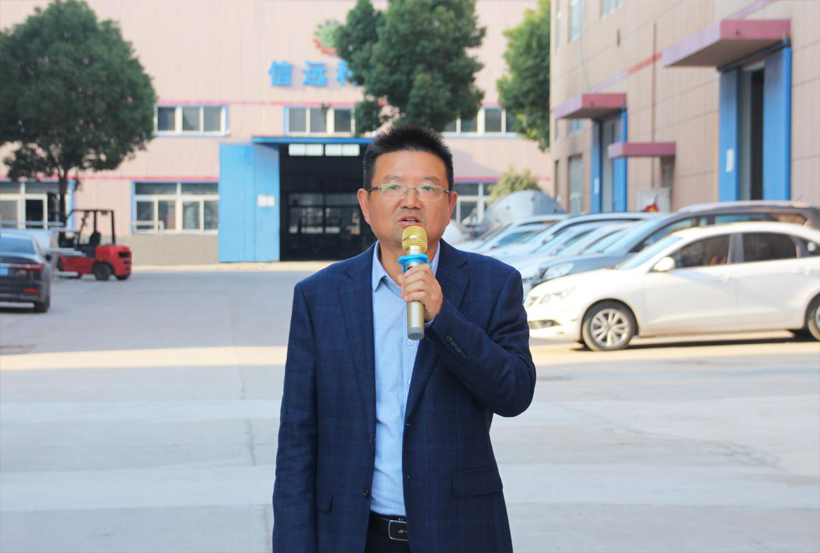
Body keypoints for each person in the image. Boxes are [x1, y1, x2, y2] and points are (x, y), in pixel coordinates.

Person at [272, 125, 536, 553]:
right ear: (366, 203)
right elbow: (297, 440)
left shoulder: (493, 284)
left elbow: (515, 394)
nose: (410, 200)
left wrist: (444, 318)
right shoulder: (320, 296)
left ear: (450, 205)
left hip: (461, 534)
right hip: (353, 536)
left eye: (428, 188)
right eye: (393, 186)